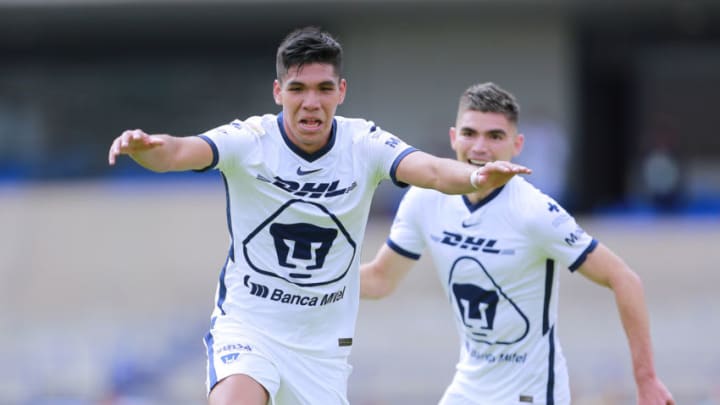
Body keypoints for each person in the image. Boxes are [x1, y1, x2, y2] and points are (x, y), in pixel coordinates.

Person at [106, 28, 529, 405]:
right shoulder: (250, 140)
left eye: (324, 88)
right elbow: (178, 151)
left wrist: (476, 174)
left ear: (341, 91)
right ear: (278, 92)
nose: (311, 102)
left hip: (321, 350)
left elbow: (434, 170)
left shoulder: (364, 143)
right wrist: (146, 146)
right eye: (298, 89)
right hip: (250, 327)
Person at [360, 82, 674, 405]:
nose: (480, 147)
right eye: (470, 134)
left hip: (531, 394)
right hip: (468, 388)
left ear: (517, 144)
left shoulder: (534, 212)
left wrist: (646, 378)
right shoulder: (424, 200)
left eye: (495, 136)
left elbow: (625, 279)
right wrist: (307, 284)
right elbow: (380, 279)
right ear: (454, 137)